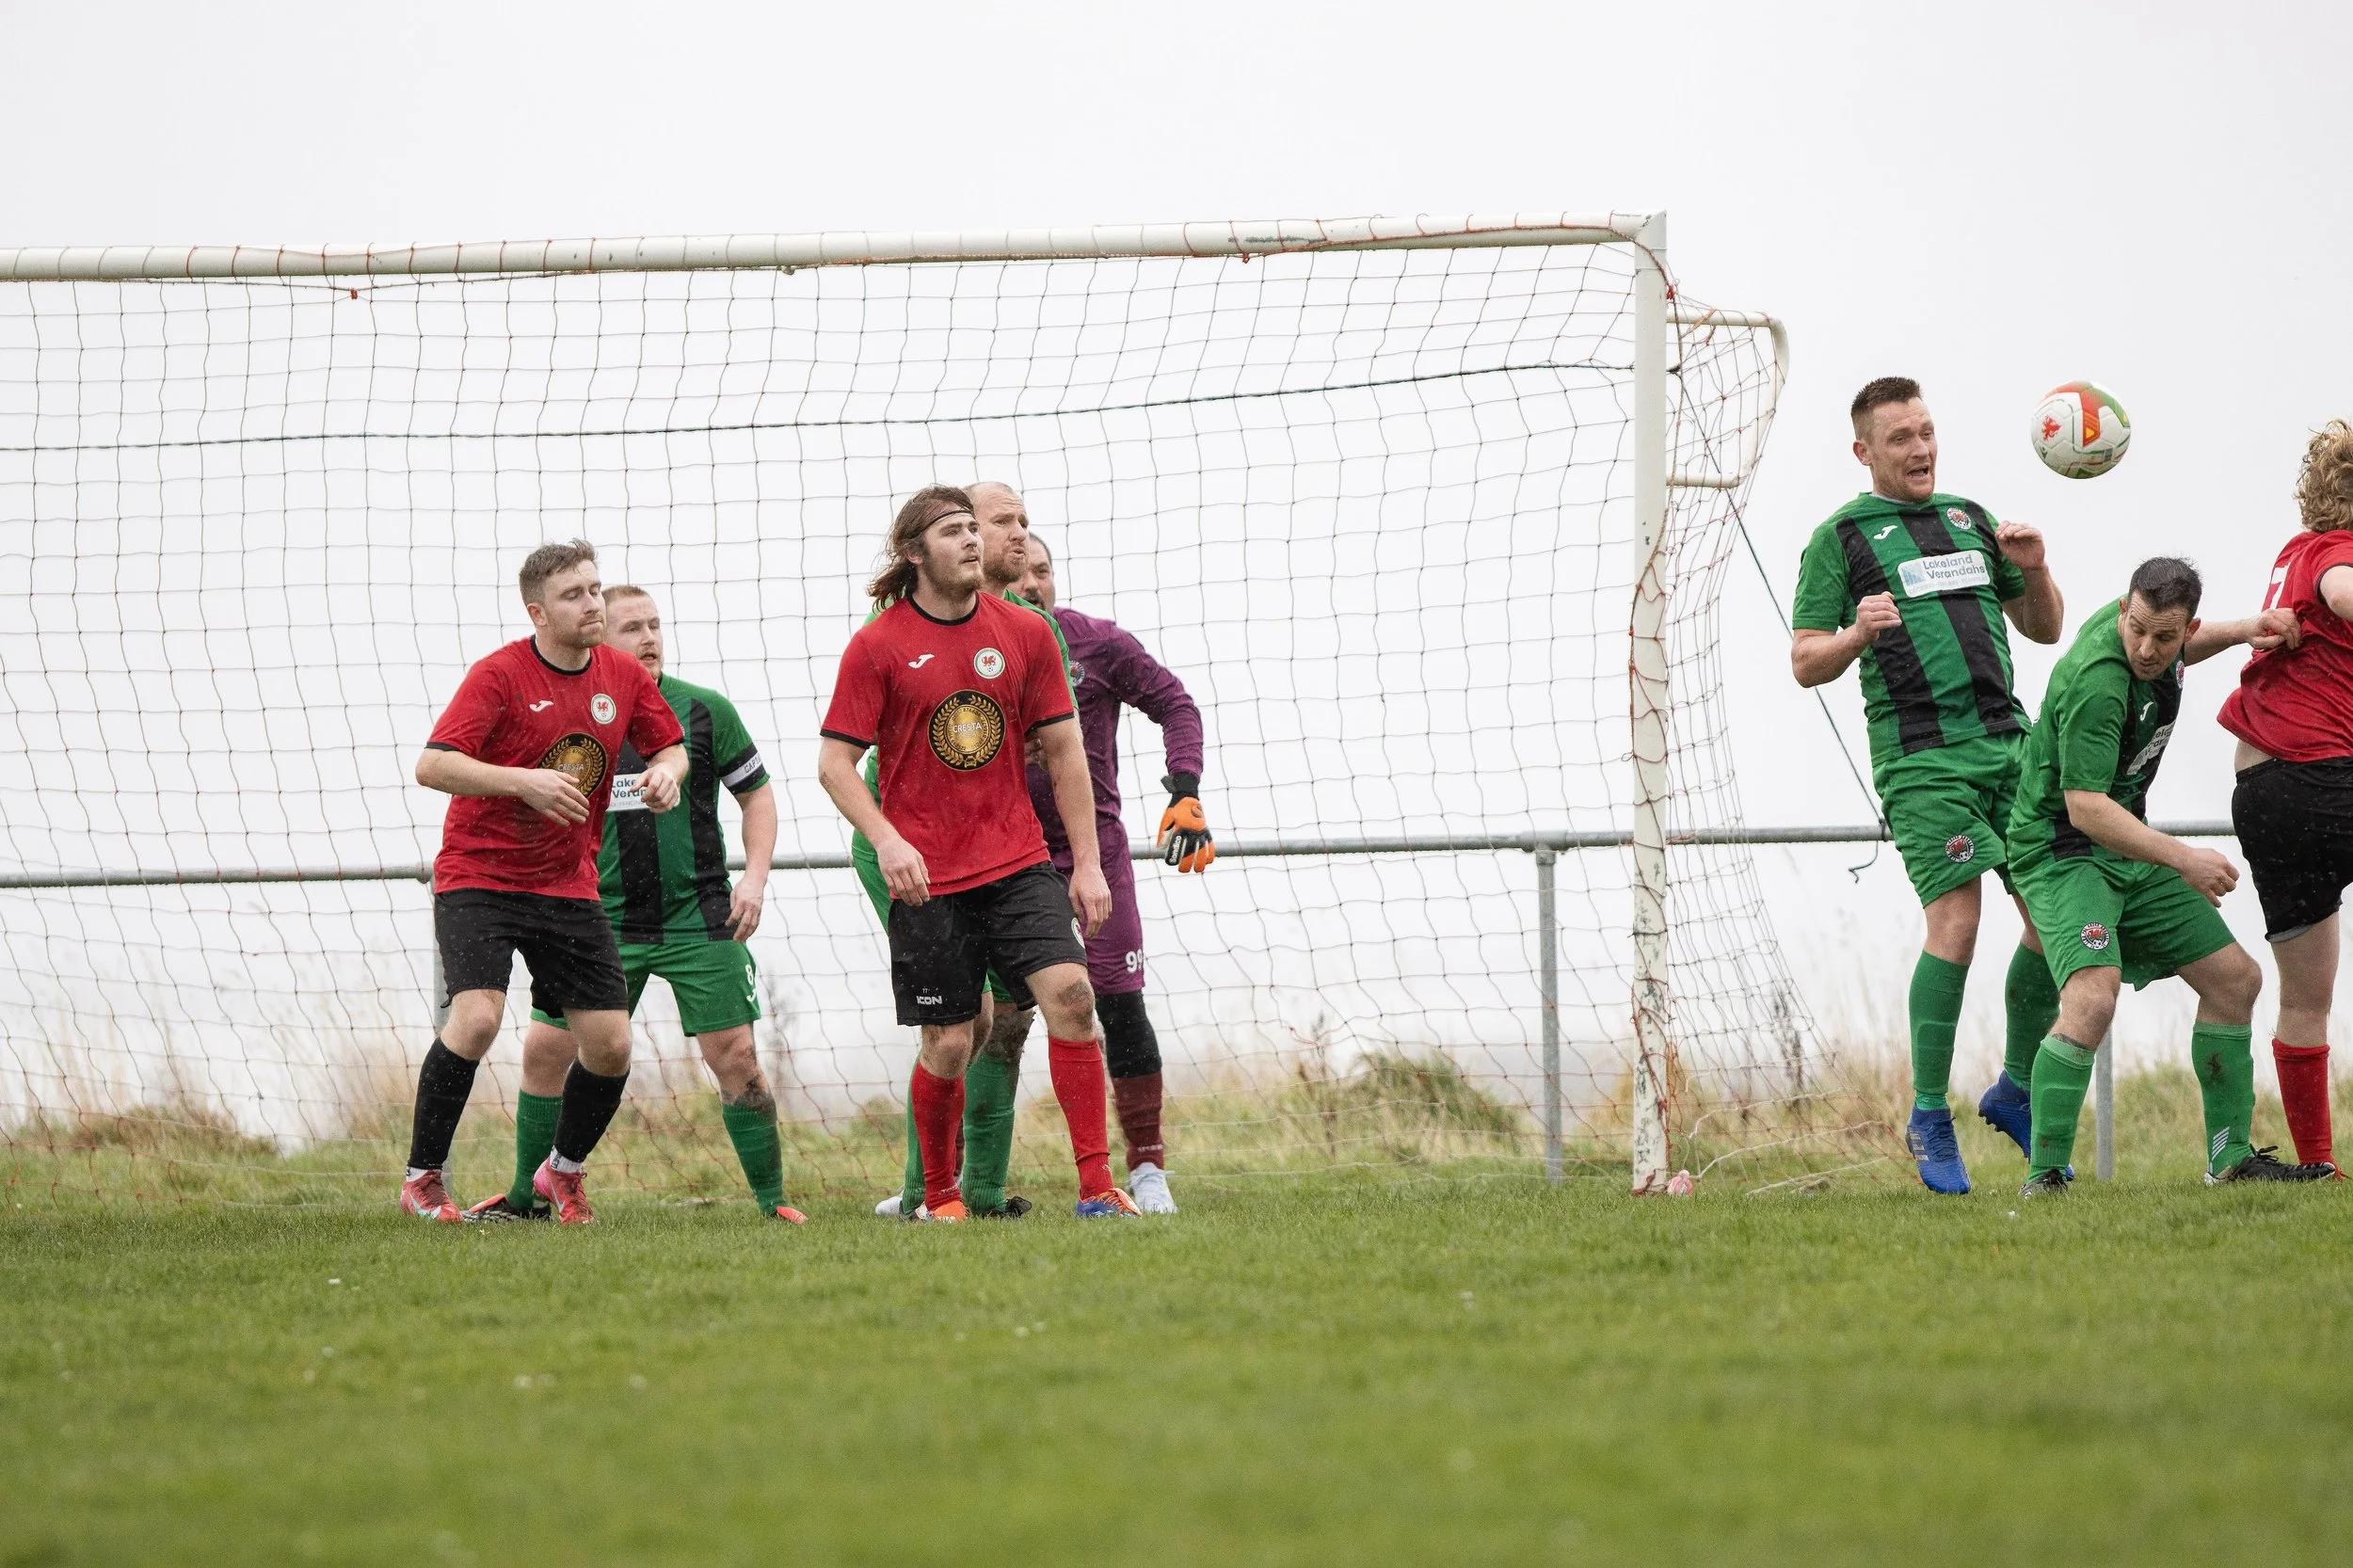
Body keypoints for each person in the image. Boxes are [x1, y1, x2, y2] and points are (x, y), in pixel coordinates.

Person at [818, 486, 1133, 1222]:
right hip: (928, 873)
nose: (972, 541)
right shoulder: (878, 644)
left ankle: (1097, 1191)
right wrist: (888, 839)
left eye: (973, 528)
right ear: (913, 553)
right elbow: (834, 764)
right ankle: (938, 1197)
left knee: (1073, 999)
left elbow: (1064, 749)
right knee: (955, 1040)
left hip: (1017, 859)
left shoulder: (1024, 632)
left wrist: (1085, 864)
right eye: (954, 531)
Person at [1791, 376, 2066, 1193]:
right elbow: (1805, 660)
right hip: (1920, 762)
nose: (1920, 449)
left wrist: (2038, 567)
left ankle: (2015, 1086)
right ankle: (1927, 1114)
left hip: (2010, 750)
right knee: (1956, 918)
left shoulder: (1971, 521)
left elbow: (2045, 626)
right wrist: (1854, 633)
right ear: (1864, 451)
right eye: (1901, 438)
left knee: (2057, 915)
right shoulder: (1839, 538)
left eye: (1926, 432)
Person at [465, 585, 807, 1224]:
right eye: (631, 628)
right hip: (594, 919)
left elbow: (756, 796)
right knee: (545, 1052)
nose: (648, 637)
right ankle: (525, 1198)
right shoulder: (566, 711)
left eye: (655, 625)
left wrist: (754, 880)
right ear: (599, 638)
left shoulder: (704, 712)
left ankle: (773, 1204)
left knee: (738, 1061)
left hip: (700, 919)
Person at [2008, 558, 2334, 1195]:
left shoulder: (2168, 641)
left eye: (2164, 637)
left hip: (2123, 845)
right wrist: (2185, 859)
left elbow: (2189, 647)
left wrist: (2245, 628)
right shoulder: (2102, 685)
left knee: (2235, 982)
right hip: (2064, 848)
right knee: (2092, 997)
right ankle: (2045, 1176)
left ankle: (2231, 1160)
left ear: (2185, 628)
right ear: (2124, 612)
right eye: (2138, 631)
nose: (2146, 649)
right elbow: (2085, 806)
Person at [401, 540, 688, 1225]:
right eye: (574, 595)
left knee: (611, 1045)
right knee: (477, 1018)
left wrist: (668, 773)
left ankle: (562, 1172)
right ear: (537, 611)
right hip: (481, 876)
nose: (592, 604)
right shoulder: (498, 675)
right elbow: (433, 765)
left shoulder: (621, 675)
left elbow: (669, 744)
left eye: (595, 590)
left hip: (566, 886)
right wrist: (522, 782)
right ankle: (423, 1178)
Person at [983, 530, 1210, 1214]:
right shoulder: (978, 653)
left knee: (1118, 999)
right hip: (1004, 860)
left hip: (1095, 858)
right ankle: (954, 1182)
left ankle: (1146, 1169)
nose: (1033, 586)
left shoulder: (1098, 644)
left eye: (1044, 572)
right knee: (988, 1021)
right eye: (1020, 576)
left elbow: (1176, 702)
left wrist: (1186, 790)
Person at [2217, 419, 2353, 1176]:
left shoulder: (2293, 551)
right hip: (2319, 779)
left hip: (2263, 791)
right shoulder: (2337, 555)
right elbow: (2345, 592)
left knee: (2307, 995)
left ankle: (2320, 1166)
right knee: (2308, 991)